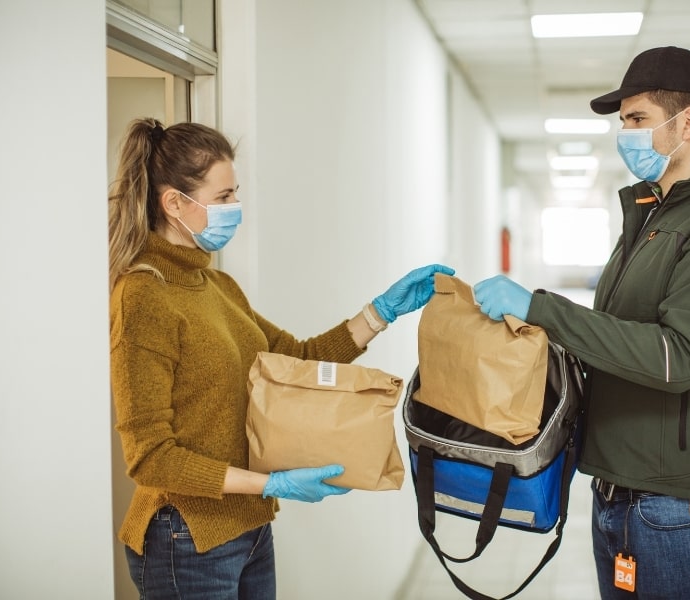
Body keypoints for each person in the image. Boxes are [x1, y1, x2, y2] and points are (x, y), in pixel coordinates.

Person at [473, 47, 690, 599]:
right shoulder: (652, 215)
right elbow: (618, 336)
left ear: (688, 123)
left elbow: (675, 357)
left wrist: (543, 309)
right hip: (620, 493)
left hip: (684, 508)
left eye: (637, 120)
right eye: (624, 122)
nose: (625, 134)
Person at [108, 117, 453, 599]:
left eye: (236, 193)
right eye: (223, 197)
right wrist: (270, 484)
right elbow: (150, 458)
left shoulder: (217, 286)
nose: (236, 207)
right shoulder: (143, 296)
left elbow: (298, 359)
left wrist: (380, 312)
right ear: (174, 203)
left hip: (249, 532)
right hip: (186, 540)